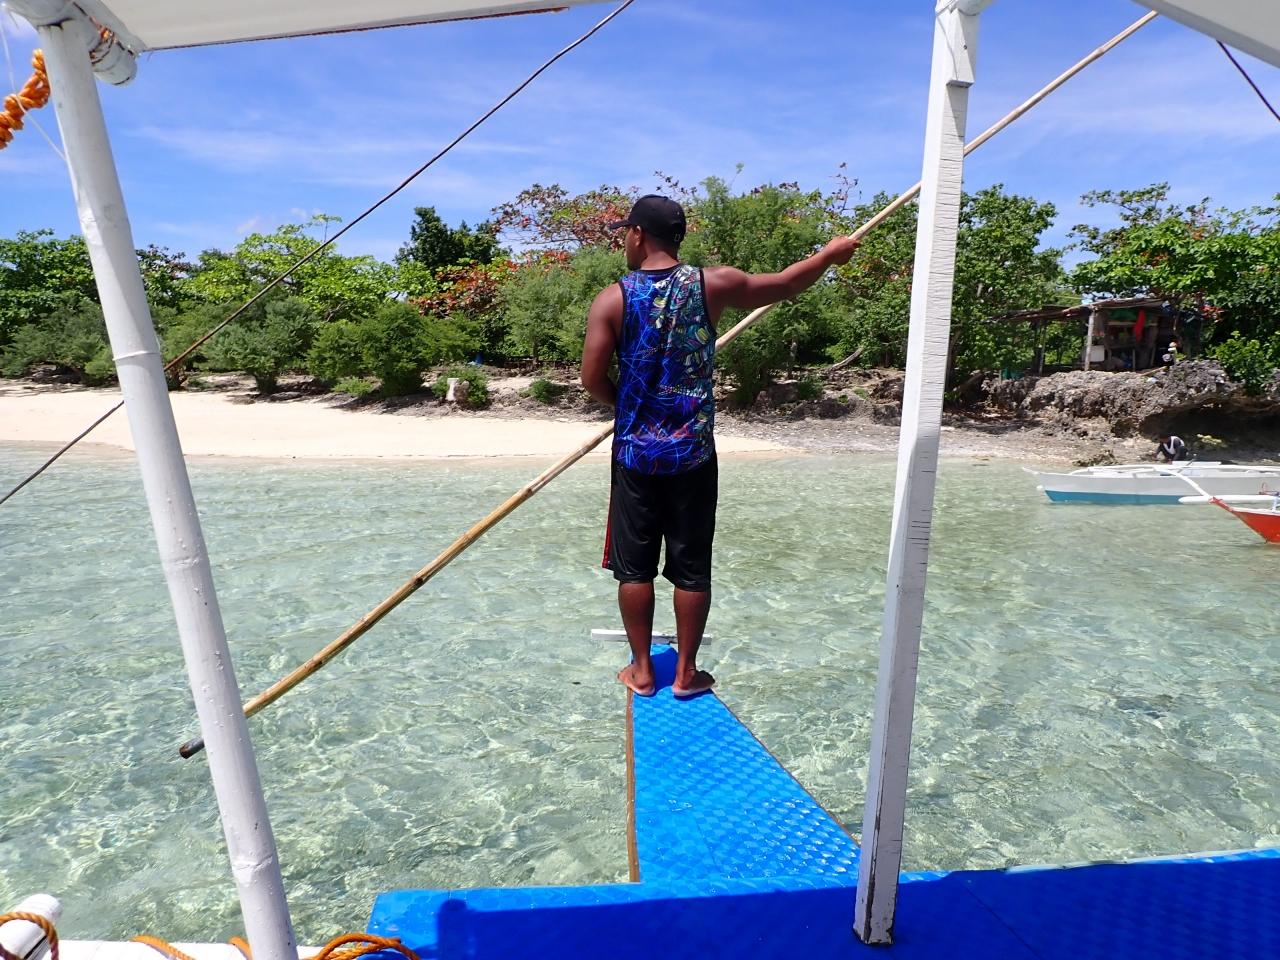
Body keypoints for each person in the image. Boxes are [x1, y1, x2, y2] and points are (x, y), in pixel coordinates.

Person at [580, 194, 859, 698]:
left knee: (634, 568)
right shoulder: (714, 284)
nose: (625, 241)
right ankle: (686, 674)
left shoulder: (612, 299)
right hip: (693, 454)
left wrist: (627, 406)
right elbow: (785, 284)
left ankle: (642, 671)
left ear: (638, 234)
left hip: (636, 454)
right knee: (691, 567)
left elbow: (592, 378)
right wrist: (828, 256)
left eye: (626, 233)